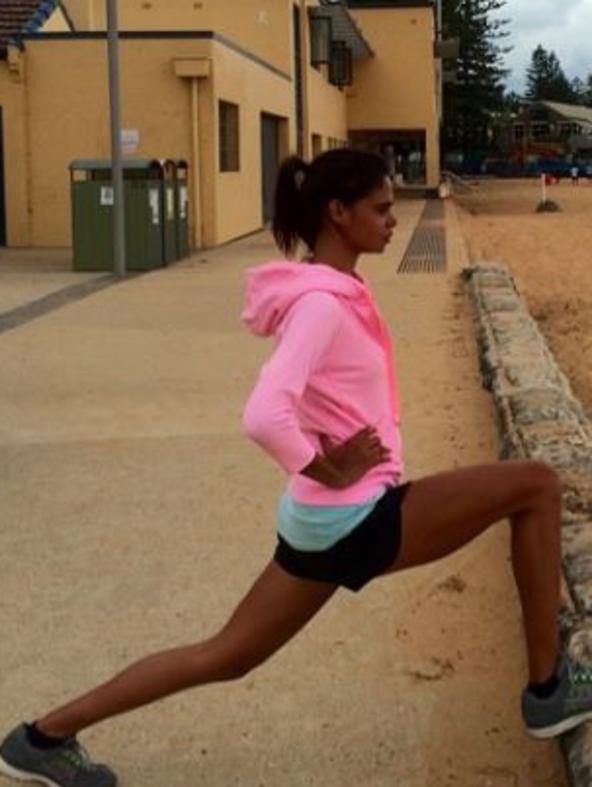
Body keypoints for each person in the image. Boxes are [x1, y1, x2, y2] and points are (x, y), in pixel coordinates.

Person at [0, 148, 591, 787]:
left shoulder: (327, 289)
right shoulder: (322, 306)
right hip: (354, 517)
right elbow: (263, 412)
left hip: (317, 521)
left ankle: (41, 737)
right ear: (339, 213)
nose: (394, 221)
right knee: (536, 484)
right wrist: (327, 465)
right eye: (382, 209)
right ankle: (547, 689)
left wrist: (324, 467)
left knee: (226, 655)